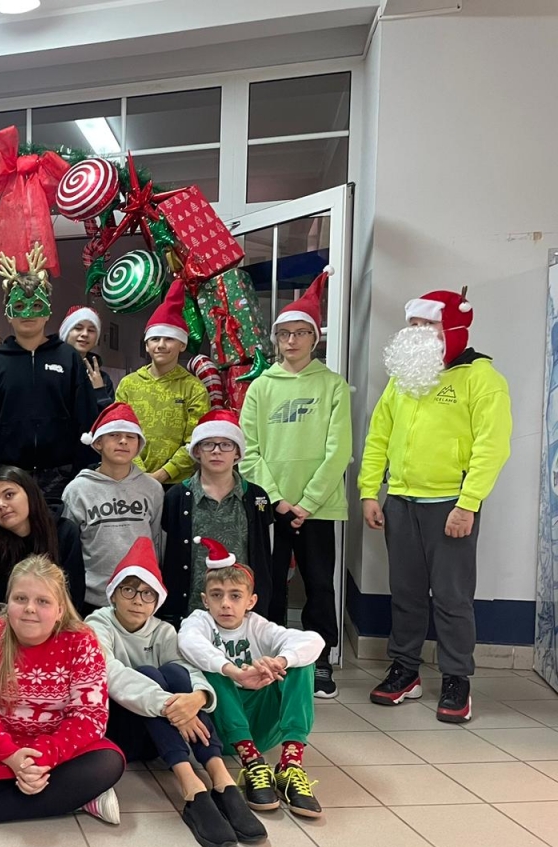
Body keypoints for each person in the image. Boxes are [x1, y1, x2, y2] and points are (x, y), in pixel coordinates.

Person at [360, 288, 511, 723]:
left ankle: (456, 678)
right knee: (406, 593)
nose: (416, 332)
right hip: (401, 501)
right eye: (412, 324)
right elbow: (379, 435)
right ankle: (405, 670)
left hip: (451, 505)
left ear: (453, 328)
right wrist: (370, 491)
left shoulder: (482, 379)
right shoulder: (405, 377)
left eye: (426, 324)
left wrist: (468, 504)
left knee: (451, 597)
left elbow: (492, 447)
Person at [87, 538, 267, 847]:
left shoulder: (163, 631)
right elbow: (110, 673)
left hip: (160, 737)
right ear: (113, 593)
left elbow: (188, 670)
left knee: (175, 672)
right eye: (128, 590)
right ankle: (191, 786)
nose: (138, 601)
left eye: (147, 593)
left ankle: (220, 777)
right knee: (148, 673)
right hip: (120, 732)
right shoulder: (96, 624)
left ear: (157, 600)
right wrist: (171, 707)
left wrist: (199, 698)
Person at [0, 555, 125, 829]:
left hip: (56, 747)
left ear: (59, 611)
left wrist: (42, 758)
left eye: (43, 601)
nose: (30, 608)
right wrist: (11, 756)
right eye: (20, 598)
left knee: (108, 763)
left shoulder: (81, 641)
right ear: (7, 603)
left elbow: (90, 718)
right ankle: (77, 797)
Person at [240, 267, 351, 699]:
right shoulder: (260, 388)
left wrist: (307, 502)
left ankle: (319, 660)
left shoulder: (333, 386)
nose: (291, 341)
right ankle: (269, 658)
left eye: (300, 333)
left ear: (314, 338)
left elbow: (338, 450)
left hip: (318, 507)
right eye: (284, 334)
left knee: (319, 584)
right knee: (268, 585)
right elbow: (250, 449)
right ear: (276, 339)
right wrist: (279, 499)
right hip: (270, 506)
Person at [177, 537, 325, 818]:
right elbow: (188, 642)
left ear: (251, 601)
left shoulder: (258, 625)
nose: (225, 604)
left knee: (301, 662)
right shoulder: (199, 621)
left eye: (235, 596)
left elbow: (313, 640)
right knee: (211, 668)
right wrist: (233, 671)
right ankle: (252, 762)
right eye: (217, 595)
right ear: (205, 600)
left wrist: (281, 661)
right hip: (220, 728)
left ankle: (290, 764)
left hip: (263, 724)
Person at [0, 243, 100, 506]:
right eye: (19, 305)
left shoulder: (68, 357)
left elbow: (85, 417)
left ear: (48, 311)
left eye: (37, 304)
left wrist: (87, 472)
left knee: (59, 532)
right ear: (8, 313)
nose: (28, 313)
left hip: (63, 475)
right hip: (8, 474)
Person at [161, 410, 273, 627]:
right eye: (208, 444)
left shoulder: (256, 497)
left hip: (244, 615)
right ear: (197, 451)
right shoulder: (176, 497)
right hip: (190, 613)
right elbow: (164, 554)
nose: (216, 451)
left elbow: (267, 556)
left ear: (238, 452)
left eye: (226, 445)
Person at [0, 466, 85, 628]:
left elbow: (73, 595)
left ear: (30, 494)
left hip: (54, 628)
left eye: (9, 495)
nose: (1, 505)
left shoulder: (64, 532)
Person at [62, 402, 163, 611]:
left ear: (139, 445)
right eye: (114, 435)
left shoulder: (152, 489)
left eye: (131, 436)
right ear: (98, 442)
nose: (123, 441)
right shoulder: (77, 490)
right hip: (91, 599)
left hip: (140, 598)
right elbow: (68, 549)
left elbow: (157, 542)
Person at [114, 280, 210, 486]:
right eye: (155, 339)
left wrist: (162, 474)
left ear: (182, 344)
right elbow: (120, 431)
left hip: (178, 483)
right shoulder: (128, 384)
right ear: (147, 345)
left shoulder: (194, 388)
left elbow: (196, 439)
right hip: (130, 478)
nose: (161, 345)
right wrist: (139, 472)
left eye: (169, 339)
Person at [60, 304, 114, 409]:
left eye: (91, 330)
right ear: (65, 333)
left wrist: (100, 392)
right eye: (78, 328)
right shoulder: (49, 368)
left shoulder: (103, 379)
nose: (85, 334)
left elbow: (108, 417)